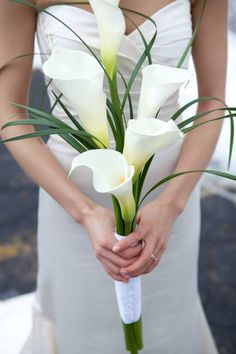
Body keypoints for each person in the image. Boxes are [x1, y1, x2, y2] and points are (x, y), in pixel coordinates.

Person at [0, 0, 227, 353]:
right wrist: (85, 213)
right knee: (83, 330)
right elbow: (9, 111)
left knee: (166, 325)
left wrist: (171, 204)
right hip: (73, 196)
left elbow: (212, 100)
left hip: (168, 194)